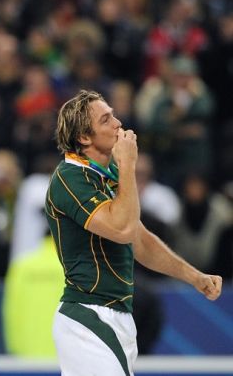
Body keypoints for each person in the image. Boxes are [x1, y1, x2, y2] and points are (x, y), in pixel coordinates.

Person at [44, 90, 222, 376]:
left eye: (114, 114)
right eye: (106, 120)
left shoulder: (108, 173)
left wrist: (194, 277)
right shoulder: (69, 178)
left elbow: (140, 239)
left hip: (117, 315)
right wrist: (128, 165)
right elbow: (123, 229)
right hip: (89, 315)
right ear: (85, 138)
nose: (118, 123)